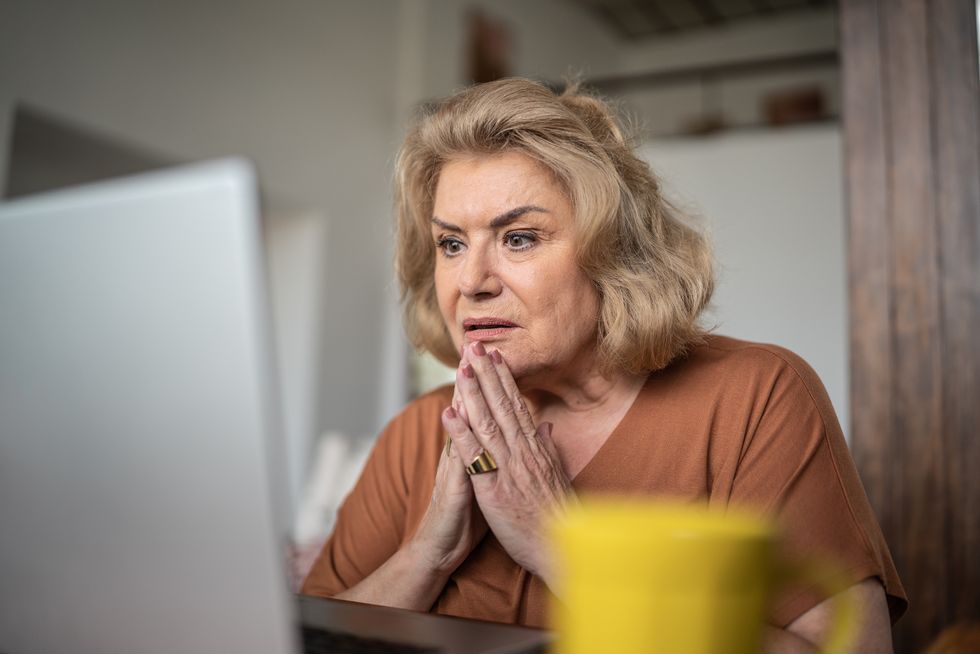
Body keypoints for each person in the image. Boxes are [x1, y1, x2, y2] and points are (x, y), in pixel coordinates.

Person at [302, 78, 907, 651]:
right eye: (452, 244)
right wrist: (423, 559)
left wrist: (565, 549)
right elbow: (298, 638)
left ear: (613, 253)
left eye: (518, 238)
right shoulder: (419, 432)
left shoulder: (755, 399)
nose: (471, 281)